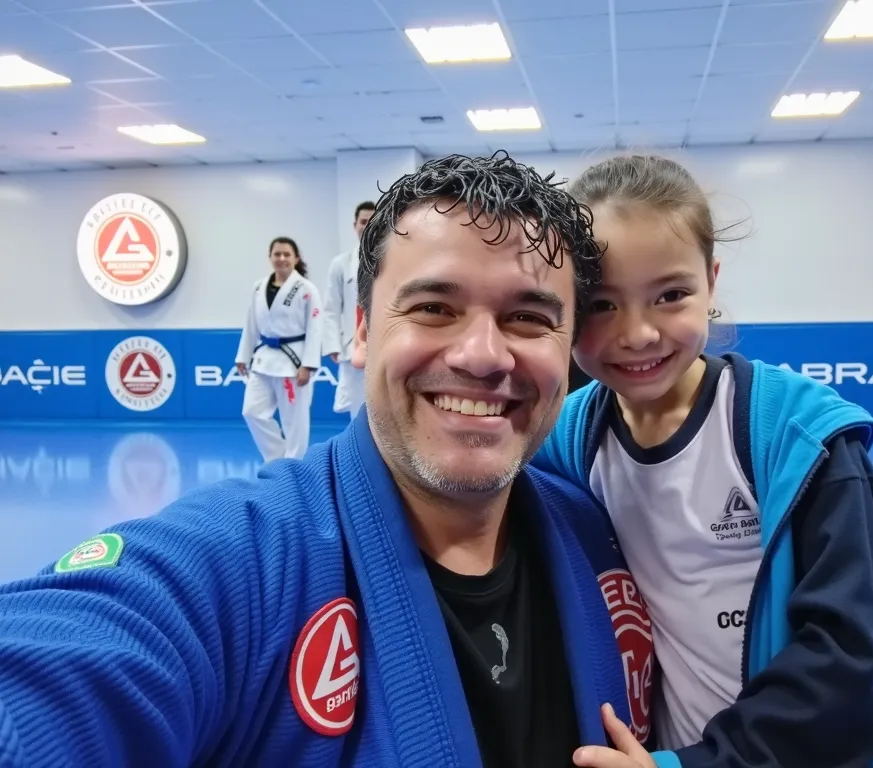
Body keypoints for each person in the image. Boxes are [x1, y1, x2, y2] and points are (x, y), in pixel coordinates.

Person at [0, 152, 655, 767]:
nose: (482, 354)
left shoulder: (598, 529)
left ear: (570, 347)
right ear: (363, 330)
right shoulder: (243, 564)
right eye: (434, 308)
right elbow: (62, 669)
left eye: (528, 318)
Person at [537, 155, 873, 768]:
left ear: (712, 282)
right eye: (601, 304)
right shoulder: (570, 439)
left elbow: (849, 667)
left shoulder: (799, 437)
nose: (639, 334)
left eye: (671, 295)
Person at [235, 236, 324, 462]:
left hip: (293, 361)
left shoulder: (306, 289)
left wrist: (309, 364)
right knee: (251, 411)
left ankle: (294, 465)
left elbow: (315, 328)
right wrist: (243, 356)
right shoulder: (258, 287)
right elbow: (251, 324)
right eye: (277, 254)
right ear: (270, 257)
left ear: (296, 258)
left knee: (294, 422)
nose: (281, 258)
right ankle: (277, 459)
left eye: (286, 254)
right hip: (264, 359)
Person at [323, 201, 376, 419]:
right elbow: (331, 308)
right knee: (356, 408)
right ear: (355, 225)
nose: (367, 225)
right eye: (363, 221)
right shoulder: (341, 263)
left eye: (372, 220)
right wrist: (332, 344)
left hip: (382, 341)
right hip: (352, 344)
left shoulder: (392, 260)